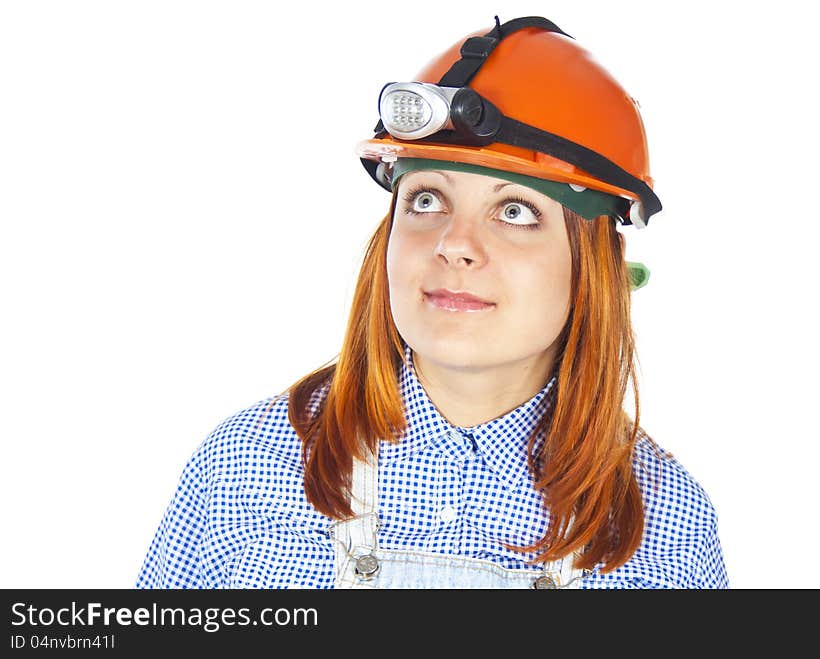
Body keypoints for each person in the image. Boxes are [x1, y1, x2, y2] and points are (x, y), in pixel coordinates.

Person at [136, 16, 728, 589]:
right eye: (425, 201)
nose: (454, 244)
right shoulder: (246, 468)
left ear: (594, 267)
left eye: (516, 211)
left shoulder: (666, 524)